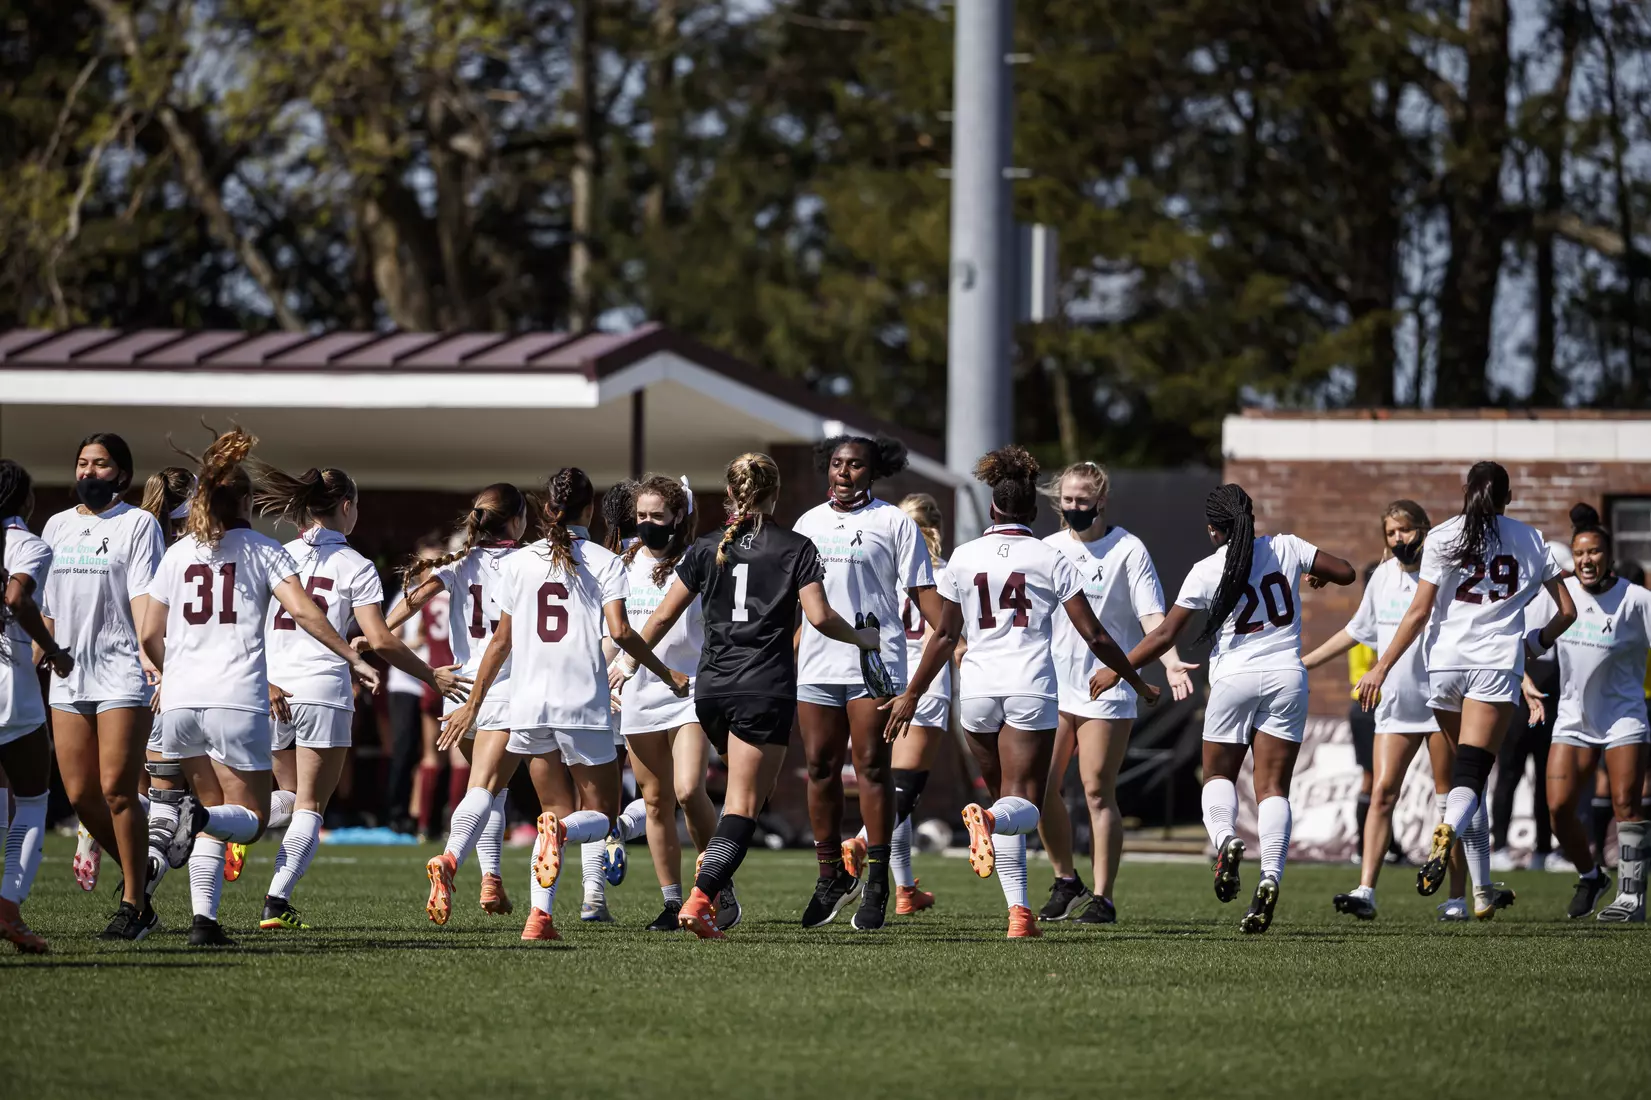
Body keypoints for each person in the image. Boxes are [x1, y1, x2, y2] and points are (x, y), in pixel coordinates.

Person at [885, 447, 1160, 939]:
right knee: (1024, 804)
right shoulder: (1050, 557)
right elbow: (1096, 635)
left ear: (993, 509)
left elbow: (945, 636)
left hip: (977, 693)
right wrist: (1135, 678)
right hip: (1030, 688)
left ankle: (1020, 915)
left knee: (1005, 801)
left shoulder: (964, 557)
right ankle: (988, 822)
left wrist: (912, 692)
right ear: (1033, 511)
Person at [140, 429, 382, 946]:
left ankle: (203, 922)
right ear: (247, 502)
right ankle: (201, 823)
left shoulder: (178, 554)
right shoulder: (264, 550)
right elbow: (304, 612)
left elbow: (147, 632)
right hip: (237, 699)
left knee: (216, 809)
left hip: (179, 702)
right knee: (250, 817)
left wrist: (171, 672)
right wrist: (350, 657)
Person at [433, 467, 685, 942]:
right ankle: (561, 847)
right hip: (582, 704)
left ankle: (539, 918)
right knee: (599, 817)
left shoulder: (518, 562)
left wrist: (476, 701)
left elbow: (501, 641)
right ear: (589, 510)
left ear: (548, 509)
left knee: (552, 809)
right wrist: (665, 672)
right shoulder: (605, 561)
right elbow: (622, 632)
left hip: (528, 705)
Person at [636, 452, 879, 939]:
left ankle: (714, 875)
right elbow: (819, 617)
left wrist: (632, 663)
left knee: (751, 795)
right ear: (775, 494)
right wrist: (863, 639)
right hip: (761, 686)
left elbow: (660, 619)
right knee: (744, 804)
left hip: (711, 692)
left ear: (731, 494)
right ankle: (702, 896)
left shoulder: (706, 547)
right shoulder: (795, 546)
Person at [1096, 484, 1356, 933]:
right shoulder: (1286, 546)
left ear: (1214, 530)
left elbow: (1162, 637)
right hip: (1287, 677)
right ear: (1251, 517)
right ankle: (1270, 876)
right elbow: (1348, 572)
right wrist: (1320, 575)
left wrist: (1117, 669)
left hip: (1234, 679)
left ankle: (1226, 840)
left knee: (1218, 777)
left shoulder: (1205, 570)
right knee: (1273, 786)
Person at [1355, 461, 1575, 920]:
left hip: (1444, 666)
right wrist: (1534, 643)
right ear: (1508, 498)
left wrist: (1381, 667)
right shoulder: (1531, 539)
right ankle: (1447, 833)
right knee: (1471, 778)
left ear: (1464, 491)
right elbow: (1568, 611)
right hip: (1493, 666)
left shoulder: (1442, 536)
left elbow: (1417, 613)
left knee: (1464, 779)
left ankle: (1481, 893)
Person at [256, 466, 469, 931]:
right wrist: (432, 675)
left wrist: (263, 679)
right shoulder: (355, 565)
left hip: (271, 689)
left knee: (284, 797)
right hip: (323, 691)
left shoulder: (273, 554)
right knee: (309, 804)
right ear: (346, 507)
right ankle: (276, 901)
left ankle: (223, 827)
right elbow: (382, 638)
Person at [1033, 460, 1195, 924]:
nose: (1074, 508)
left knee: (1096, 791)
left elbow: (1151, 619)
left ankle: (1103, 897)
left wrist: (1169, 662)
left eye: (1083, 501)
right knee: (1041, 788)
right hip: (1054, 686)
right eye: (1067, 500)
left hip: (1108, 688)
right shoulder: (1048, 549)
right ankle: (1066, 880)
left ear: (1101, 502)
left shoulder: (1128, 549)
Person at [792, 435, 939, 931]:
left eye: (855, 465)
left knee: (872, 767)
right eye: (836, 463)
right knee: (819, 768)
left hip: (875, 662)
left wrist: (953, 633)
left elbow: (927, 601)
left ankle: (877, 881)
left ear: (872, 472)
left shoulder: (894, 522)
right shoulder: (807, 523)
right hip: (816, 664)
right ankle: (830, 874)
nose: (844, 472)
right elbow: (800, 605)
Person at [1304, 502, 1471, 921]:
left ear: (1425, 531)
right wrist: (1304, 663)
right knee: (1381, 794)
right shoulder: (1380, 579)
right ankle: (1366, 890)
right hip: (1395, 706)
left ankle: (1456, 897)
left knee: (1449, 804)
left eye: (1407, 530)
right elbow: (1355, 631)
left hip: (1441, 703)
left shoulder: (1446, 575)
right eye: (1391, 533)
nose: (1399, 539)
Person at [39, 433, 166, 937]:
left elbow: (143, 601)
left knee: (117, 790)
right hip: (68, 676)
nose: (90, 472)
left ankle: (135, 905)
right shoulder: (56, 525)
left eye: (102, 464)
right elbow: (46, 609)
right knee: (81, 796)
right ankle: (142, 870)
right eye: (83, 464)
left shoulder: (139, 524)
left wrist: (152, 658)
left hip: (120, 673)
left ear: (123, 475)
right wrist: (32, 658)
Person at [386, 484, 527, 917]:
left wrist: (377, 631)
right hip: (500, 688)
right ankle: (448, 860)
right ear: (518, 521)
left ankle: (491, 881)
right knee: (484, 786)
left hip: (458, 687)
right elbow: (504, 640)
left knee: (492, 790)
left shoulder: (459, 561)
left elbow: (413, 600)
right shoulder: (526, 562)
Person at [612, 476, 734, 932]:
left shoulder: (700, 558)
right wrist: (609, 672)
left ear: (678, 516)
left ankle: (714, 881)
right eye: (640, 516)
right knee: (656, 801)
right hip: (638, 692)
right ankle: (671, 901)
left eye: (656, 516)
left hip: (689, 691)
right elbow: (616, 629)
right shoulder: (625, 563)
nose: (646, 524)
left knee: (687, 790)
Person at [842, 493, 957, 916]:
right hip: (925, 681)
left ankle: (905, 889)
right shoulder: (942, 574)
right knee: (904, 789)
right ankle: (858, 841)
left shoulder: (881, 571)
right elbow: (947, 636)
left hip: (880, 677)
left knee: (887, 783)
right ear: (937, 528)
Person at [1537, 505, 1648, 921]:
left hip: (1624, 717)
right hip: (1573, 719)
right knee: (1559, 809)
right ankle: (1590, 875)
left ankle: (1631, 899)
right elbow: (1527, 642)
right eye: (1580, 552)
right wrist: (1526, 682)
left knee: (1625, 804)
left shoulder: (1636, 600)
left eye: (1595, 552)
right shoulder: (1561, 595)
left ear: (1609, 556)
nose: (1586, 560)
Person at [0, 461, 74, 953]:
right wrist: (53, 647)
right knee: (31, 799)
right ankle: (9, 910)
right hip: (11, 689)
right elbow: (18, 598)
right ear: (25, 502)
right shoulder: (29, 545)